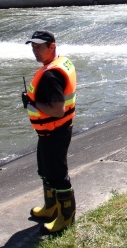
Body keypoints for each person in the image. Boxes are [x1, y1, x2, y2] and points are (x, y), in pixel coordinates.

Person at [22, 30, 77, 234]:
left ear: (52, 46)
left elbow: (56, 110)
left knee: (57, 175)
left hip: (55, 131)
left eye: (39, 47)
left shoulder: (50, 75)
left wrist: (32, 102)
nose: (35, 51)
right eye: (33, 47)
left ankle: (66, 217)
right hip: (51, 131)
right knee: (45, 171)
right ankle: (51, 207)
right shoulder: (61, 63)